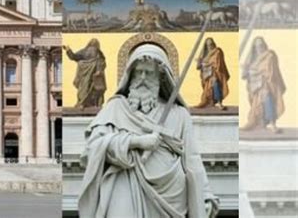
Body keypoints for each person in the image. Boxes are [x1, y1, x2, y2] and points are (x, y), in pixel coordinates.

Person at [78, 44, 218, 218]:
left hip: (171, 193)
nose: (143, 78)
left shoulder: (179, 114)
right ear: (130, 75)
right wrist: (136, 142)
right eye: (138, 72)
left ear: (161, 77)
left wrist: (205, 194)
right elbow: (93, 147)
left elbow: (192, 158)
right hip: (124, 182)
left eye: (149, 73)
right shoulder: (115, 108)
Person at [242, 37, 285, 133]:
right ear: (254, 47)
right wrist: (247, 71)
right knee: (257, 104)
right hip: (254, 86)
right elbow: (245, 75)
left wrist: (257, 71)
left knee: (267, 98)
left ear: (264, 45)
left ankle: (273, 124)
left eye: (261, 45)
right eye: (257, 45)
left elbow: (271, 70)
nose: (259, 47)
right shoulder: (252, 59)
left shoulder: (269, 55)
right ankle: (261, 123)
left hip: (267, 83)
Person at [63, 39, 106, 108]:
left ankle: (82, 103)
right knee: (95, 90)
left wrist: (68, 50)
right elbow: (102, 62)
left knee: (83, 88)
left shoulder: (84, 51)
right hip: (94, 75)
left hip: (84, 74)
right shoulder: (98, 52)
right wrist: (99, 70)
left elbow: (74, 57)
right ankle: (94, 104)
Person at [196, 38, 230, 109]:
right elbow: (198, 67)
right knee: (209, 89)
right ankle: (212, 101)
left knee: (215, 83)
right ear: (205, 46)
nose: (210, 46)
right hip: (206, 75)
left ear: (213, 44)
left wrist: (207, 64)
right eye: (208, 45)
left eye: (211, 44)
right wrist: (200, 63)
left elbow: (217, 63)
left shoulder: (217, 52)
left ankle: (219, 102)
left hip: (215, 73)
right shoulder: (204, 54)